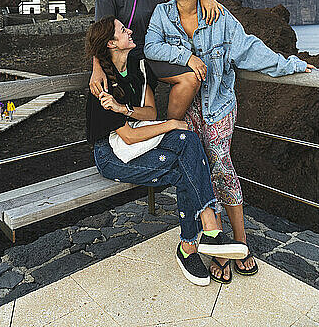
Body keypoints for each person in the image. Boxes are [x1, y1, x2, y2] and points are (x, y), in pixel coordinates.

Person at [144, 0, 315, 283]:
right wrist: (187, 57)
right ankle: (218, 248)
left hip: (219, 107)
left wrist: (291, 64)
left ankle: (242, 242)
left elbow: (249, 49)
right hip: (186, 108)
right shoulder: (162, 15)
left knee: (222, 168)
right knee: (200, 172)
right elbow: (152, 46)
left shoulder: (219, 17)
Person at [85, 15, 249, 286]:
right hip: (112, 156)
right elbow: (128, 136)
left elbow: (149, 113)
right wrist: (171, 123)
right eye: (122, 30)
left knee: (188, 140)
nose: (129, 31)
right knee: (184, 161)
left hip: (138, 139)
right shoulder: (101, 85)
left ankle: (203, 235)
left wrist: (124, 109)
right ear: (112, 43)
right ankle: (193, 242)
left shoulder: (138, 67)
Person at [91, 0, 224, 119]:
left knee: (191, 78)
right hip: (132, 61)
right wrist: (97, 69)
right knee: (141, 114)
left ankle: (171, 128)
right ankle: (165, 130)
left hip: (158, 53)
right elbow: (100, 35)